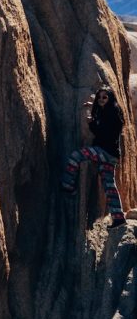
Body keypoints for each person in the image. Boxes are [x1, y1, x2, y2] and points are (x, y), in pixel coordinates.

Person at [62, 84, 127, 226]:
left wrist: (91, 123)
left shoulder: (111, 113)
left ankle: (68, 187)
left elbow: (102, 132)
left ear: (110, 99)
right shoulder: (111, 111)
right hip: (111, 155)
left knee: (76, 156)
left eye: (105, 97)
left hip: (105, 153)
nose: (102, 99)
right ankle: (119, 217)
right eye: (100, 97)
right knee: (109, 185)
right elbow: (103, 117)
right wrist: (94, 105)